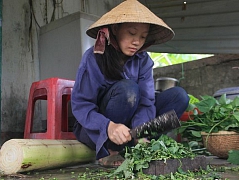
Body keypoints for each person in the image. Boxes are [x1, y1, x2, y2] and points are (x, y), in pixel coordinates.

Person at [71, 0, 189, 167]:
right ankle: (111, 150)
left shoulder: (143, 61)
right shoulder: (95, 57)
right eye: (132, 33)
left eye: (142, 36)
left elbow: (146, 102)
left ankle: (138, 143)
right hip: (96, 130)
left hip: (129, 131)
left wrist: (141, 133)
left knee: (179, 96)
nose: (137, 42)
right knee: (129, 89)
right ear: (115, 29)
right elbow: (82, 105)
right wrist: (108, 127)